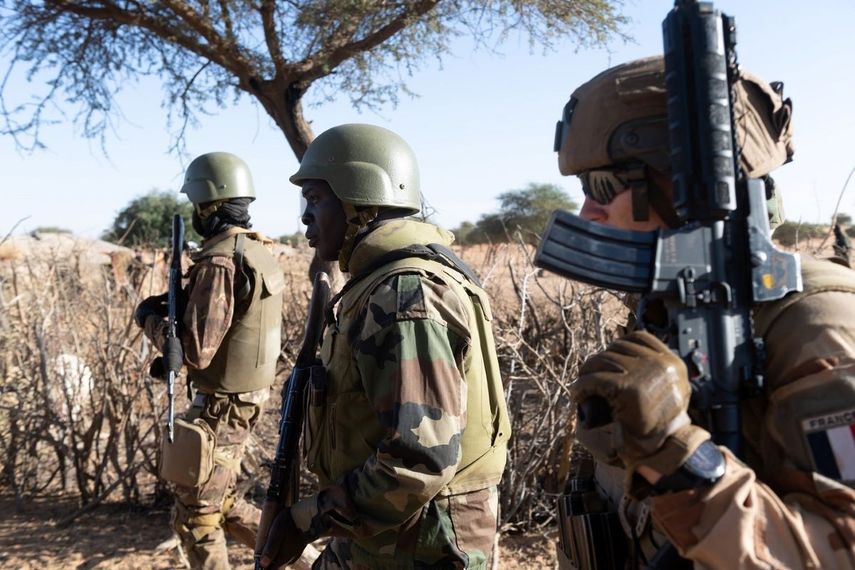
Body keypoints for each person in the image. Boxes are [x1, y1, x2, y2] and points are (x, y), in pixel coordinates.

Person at [552, 57, 855, 568]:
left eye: (602, 187)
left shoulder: (817, 327)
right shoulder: (665, 310)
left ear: (676, 185)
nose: (587, 213)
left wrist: (679, 458)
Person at [258, 123, 511, 569]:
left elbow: (420, 457)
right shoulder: (378, 285)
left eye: (316, 199)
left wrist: (306, 520)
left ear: (358, 200)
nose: (304, 217)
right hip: (378, 530)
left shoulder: (406, 292)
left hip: (424, 542)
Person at [134, 151, 285, 570]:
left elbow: (196, 350)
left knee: (197, 514)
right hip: (243, 400)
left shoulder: (220, 260)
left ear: (209, 204)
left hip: (222, 408)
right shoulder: (257, 252)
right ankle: (313, 559)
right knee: (223, 502)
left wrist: (151, 321)